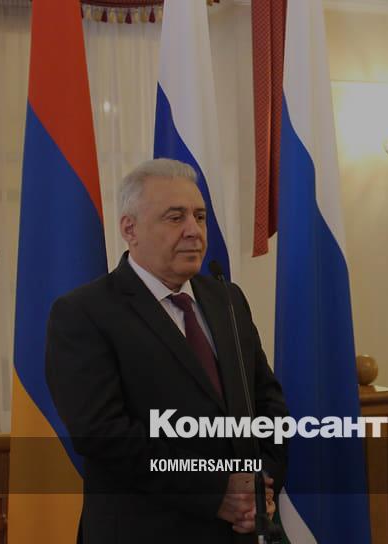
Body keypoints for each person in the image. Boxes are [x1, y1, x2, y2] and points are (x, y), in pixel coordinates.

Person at [46, 158, 288, 543]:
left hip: (239, 529)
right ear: (130, 229)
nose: (194, 230)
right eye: (175, 217)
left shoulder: (227, 299)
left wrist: (257, 489)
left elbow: (267, 403)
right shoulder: (84, 313)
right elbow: (103, 434)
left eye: (200, 216)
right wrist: (214, 493)